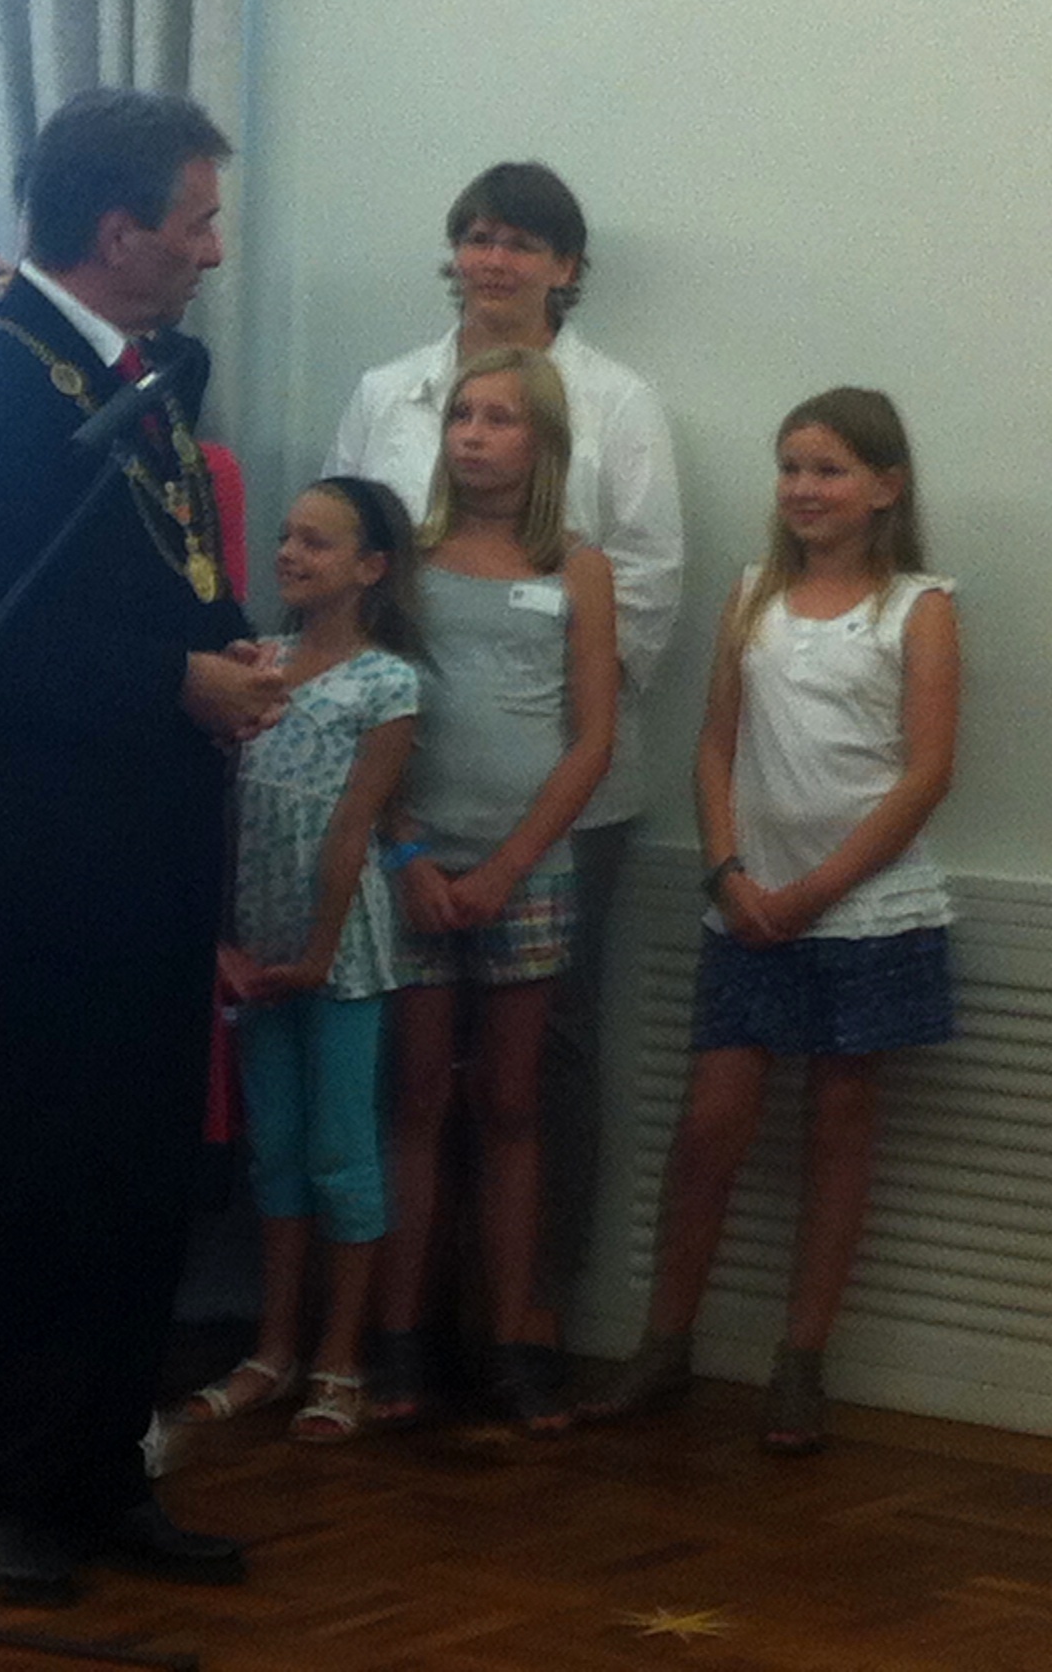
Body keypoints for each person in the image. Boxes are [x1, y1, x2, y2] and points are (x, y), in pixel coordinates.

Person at [0, 86, 280, 1606]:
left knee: (141, 1176)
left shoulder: (134, 376)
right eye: (196, 221)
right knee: (49, 1175)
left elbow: (165, 575)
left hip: (154, 842)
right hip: (51, 853)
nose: (213, 249)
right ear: (119, 233)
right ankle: (13, 1483)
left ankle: (107, 1466)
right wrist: (172, 680)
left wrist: (231, 649)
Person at [328, 164, 681, 1351]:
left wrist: (543, 726)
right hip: (411, 801)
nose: (493, 259)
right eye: (476, 237)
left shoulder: (619, 402)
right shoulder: (388, 392)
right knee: (410, 1071)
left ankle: (529, 1321)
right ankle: (412, 1329)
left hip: (564, 799)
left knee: (546, 1063)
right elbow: (351, 568)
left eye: (521, 242)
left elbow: (647, 587)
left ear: (564, 268)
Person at [586, 388, 957, 1454]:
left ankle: (801, 1363)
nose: (804, 487)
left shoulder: (919, 606)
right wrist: (727, 870)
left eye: (829, 469)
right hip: (747, 904)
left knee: (839, 1128)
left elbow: (926, 773)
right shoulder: (752, 593)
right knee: (712, 1124)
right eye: (791, 466)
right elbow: (715, 744)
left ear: (885, 486)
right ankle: (665, 1344)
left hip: (866, 909)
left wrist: (816, 890)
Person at [373, 349, 618, 1433]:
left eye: (500, 418)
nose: (473, 434)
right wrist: (407, 853)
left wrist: (509, 865)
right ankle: (399, 1339)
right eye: (461, 415)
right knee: (417, 1099)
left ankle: (516, 1341)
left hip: (528, 867)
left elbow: (594, 737)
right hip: (415, 865)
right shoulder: (406, 560)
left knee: (514, 1104)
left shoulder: (578, 567)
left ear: (544, 440)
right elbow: (368, 711)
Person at [185, 476, 421, 1445]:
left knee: (341, 1151)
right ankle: (272, 1350)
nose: (289, 553)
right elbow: (219, 811)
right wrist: (227, 941)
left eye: (317, 542)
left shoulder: (388, 684)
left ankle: (340, 1357)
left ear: (371, 567)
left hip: (339, 949)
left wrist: (319, 951)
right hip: (255, 942)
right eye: (286, 536)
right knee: (275, 1151)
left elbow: (354, 826)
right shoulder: (253, 666)